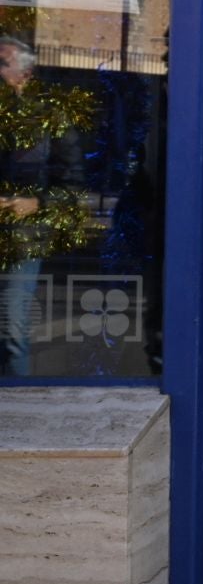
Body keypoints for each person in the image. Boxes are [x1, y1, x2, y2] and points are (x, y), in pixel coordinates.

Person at [0, 35, 83, 376]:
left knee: (11, 328)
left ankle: (16, 409)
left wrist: (36, 203)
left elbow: (73, 185)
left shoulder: (51, 117)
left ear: (26, 74)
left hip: (23, 236)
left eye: (3, 64)